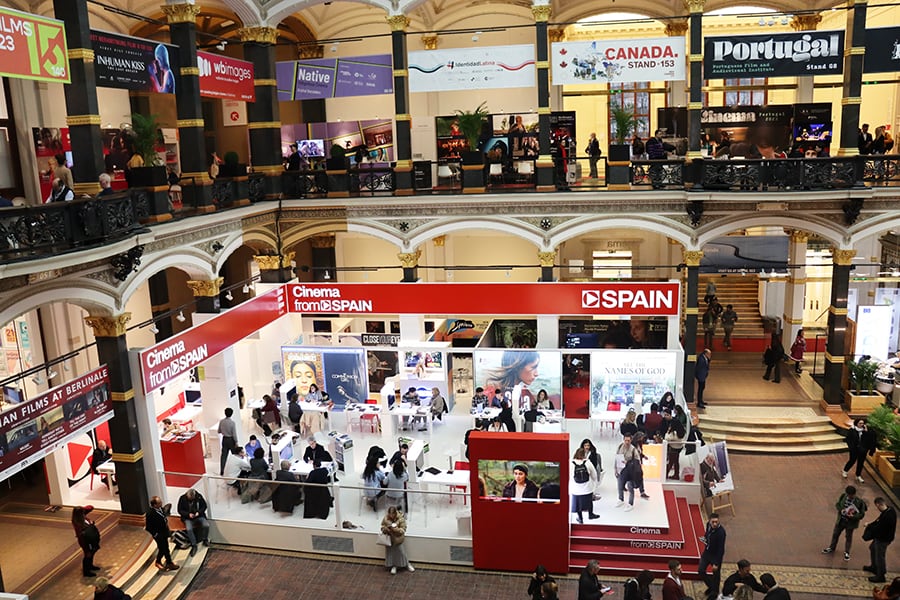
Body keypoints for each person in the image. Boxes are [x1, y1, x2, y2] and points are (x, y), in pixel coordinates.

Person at [823, 484, 868, 561]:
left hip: (850, 523)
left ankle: (847, 552)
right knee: (835, 534)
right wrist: (841, 510)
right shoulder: (843, 496)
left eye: (852, 495)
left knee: (848, 537)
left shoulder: (859, 502)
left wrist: (853, 517)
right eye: (849, 495)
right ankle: (831, 547)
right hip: (841, 520)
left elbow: (861, 514)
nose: (851, 497)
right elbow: (837, 504)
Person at [865, 497, 897, 583]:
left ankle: (881, 575)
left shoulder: (888, 516)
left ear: (879, 504)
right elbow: (878, 521)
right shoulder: (889, 510)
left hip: (883, 539)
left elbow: (879, 527)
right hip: (881, 537)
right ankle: (874, 567)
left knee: (880, 556)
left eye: (877, 506)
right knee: (872, 548)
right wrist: (870, 524)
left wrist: (870, 528)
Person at [145, 496, 178, 571]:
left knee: (166, 548)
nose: (161, 503)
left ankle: (169, 562)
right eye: (159, 502)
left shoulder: (161, 509)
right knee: (162, 549)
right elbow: (148, 527)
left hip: (164, 532)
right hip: (158, 534)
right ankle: (158, 561)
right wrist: (156, 534)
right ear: (154, 505)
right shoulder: (150, 514)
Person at [699, 512, 726, 600]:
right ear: (710, 521)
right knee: (701, 570)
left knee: (716, 575)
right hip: (707, 553)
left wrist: (716, 563)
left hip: (715, 556)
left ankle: (714, 593)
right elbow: (707, 534)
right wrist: (705, 539)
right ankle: (711, 586)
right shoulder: (708, 525)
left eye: (716, 522)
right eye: (713, 522)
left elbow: (721, 549)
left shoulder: (721, 532)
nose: (714, 524)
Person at [381, 505, 414, 574]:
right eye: (390, 513)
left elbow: (403, 530)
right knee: (391, 553)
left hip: (397, 538)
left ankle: (407, 564)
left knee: (401, 552)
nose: (391, 515)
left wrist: (396, 529)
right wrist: (386, 529)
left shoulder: (400, 519)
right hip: (389, 539)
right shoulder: (386, 519)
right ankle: (394, 566)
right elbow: (382, 527)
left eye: (393, 513)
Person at [176, 488, 209, 556]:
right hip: (188, 518)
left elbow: (204, 506)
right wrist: (188, 514)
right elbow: (180, 510)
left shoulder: (199, 497)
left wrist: (198, 512)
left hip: (199, 516)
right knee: (189, 529)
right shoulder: (182, 498)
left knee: (206, 525)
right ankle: (194, 545)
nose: (191, 500)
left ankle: (205, 539)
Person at [843, 418, 877, 483]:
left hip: (863, 450)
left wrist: (866, 432)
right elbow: (848, 439)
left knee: (861, 463)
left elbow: (870, 440)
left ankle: (858, 475)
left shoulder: (866, 431)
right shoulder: (852, 430)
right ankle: (845, 471)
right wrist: (851, 447)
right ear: (856, 423)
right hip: (854, 449)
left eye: (862, 423)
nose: (861, 425)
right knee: (852, 461)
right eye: (860, 423)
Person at [571, 447, 599, 523]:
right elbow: (594, 475)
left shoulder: (571, 463)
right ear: (584, 455)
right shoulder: (588, 463)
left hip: (576, 490)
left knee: (577, 505)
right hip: (587, 489)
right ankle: (590, 514)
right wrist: (593, 483)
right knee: (589, 501)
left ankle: (580, 518)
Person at [72, 505, 101, 577]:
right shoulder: (77, 522)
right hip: (85, 541)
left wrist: (83, 509)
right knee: (88, 554)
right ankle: (86, 571)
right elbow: (82, 534)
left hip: (90, 539)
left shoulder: (83, 517)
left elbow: (90, 507)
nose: (84, 513)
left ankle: (90, 566)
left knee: (92, 552)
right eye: (82, 512)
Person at [217, 407, 237, 476]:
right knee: (235, 454)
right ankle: (236, 469)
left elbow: (219, 431)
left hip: (224, 439)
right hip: (231, 440)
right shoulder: (232, 423)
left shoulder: (221, 421)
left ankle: (222, 470)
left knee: (223, 456)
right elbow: (234, 434)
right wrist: (236, 442)